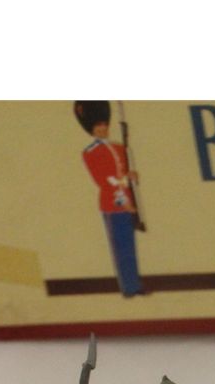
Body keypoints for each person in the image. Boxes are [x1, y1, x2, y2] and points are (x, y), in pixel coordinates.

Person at [74, 100, 143, 297]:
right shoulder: (90, 153)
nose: (102, 129)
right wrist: (124, 202)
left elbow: (122, 172)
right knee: (121, 249)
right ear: (92, 129)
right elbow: (105, 181)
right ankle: (128, 288)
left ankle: (135, 286)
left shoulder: (119, 148)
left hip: (127, 200)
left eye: (104, 125)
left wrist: (131, 176)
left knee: (129, 248)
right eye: (98, 126)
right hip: (113, 204)